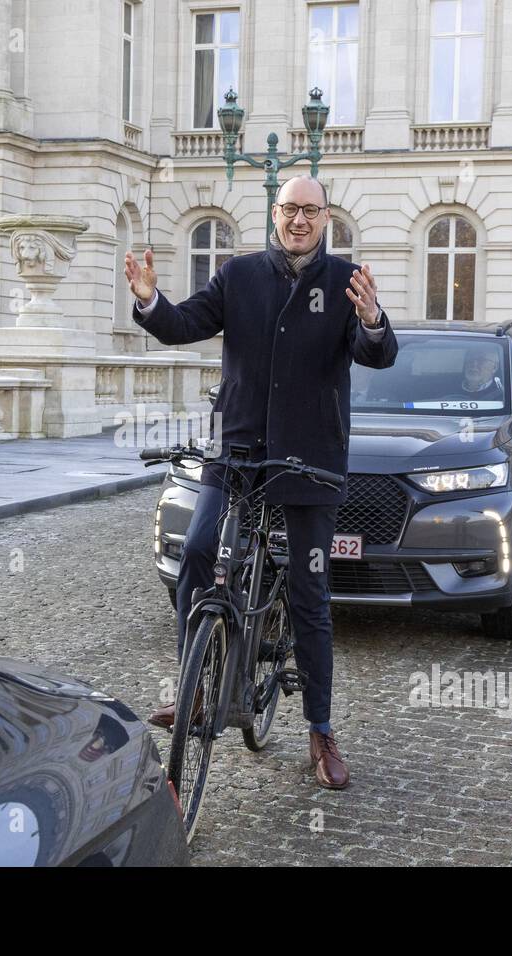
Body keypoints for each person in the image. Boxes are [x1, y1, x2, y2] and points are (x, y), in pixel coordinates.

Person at [123, 174, 398, 790]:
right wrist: (149, 300)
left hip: (311, 460)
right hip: (238, 449)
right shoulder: (239, 275)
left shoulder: (344, 280)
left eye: (310, 211)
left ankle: (320, 731)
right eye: (288, 209)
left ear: (326, 219)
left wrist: (374, 319)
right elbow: (183, 324)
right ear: (274, 214)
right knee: (195, 552)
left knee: (309, 596)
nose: (298, 220)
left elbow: (376, 352)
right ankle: (197, 692)